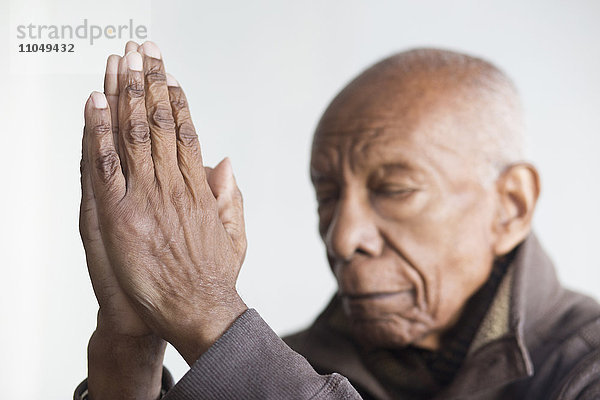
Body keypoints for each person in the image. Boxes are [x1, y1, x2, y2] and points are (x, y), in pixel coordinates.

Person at [74, 41, 600, 400]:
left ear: (511, 205)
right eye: (326, 195)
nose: (343, 237)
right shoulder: (288, 363)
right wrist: (129, 347)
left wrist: (207, 313)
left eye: (394, 189)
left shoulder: (585, 369)